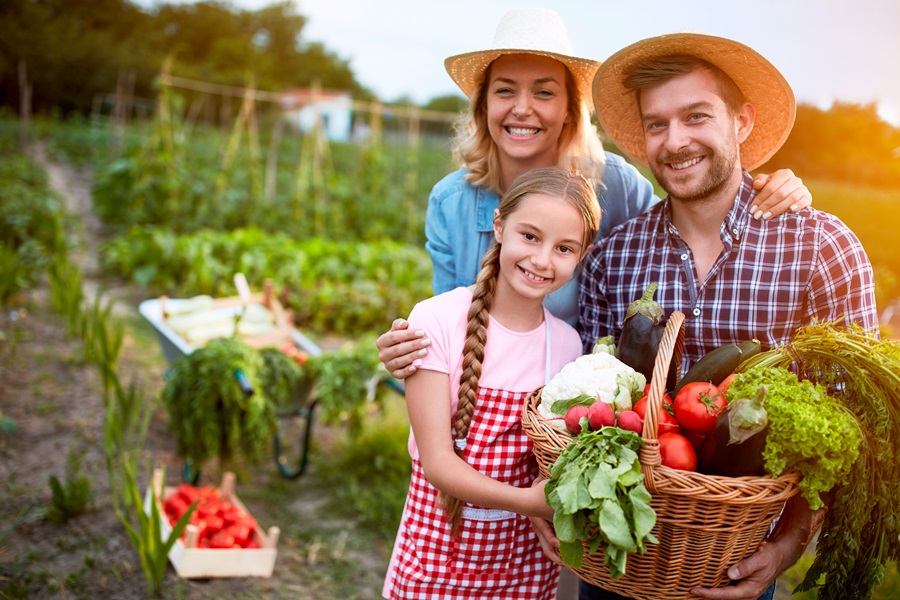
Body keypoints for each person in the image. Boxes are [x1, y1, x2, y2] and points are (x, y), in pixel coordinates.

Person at [572, 33, 879, 600]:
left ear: (741, 121)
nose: (675, 141)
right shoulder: (611, 259)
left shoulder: (822, 251)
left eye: (696, 116)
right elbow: (587, 411)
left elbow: (848, 434)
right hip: (614, 559)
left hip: (734, 566)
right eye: (657, 124)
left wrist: (785, 550)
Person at [376, 7, 812, 380]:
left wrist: (766, 183)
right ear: (484, 105)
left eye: (543, 92)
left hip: (569, 395)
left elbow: (685, 223)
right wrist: (411, 348)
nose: (522, 108)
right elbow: (447, 322)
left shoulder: (613, 185)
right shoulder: (452, 202)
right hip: (481, 398)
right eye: (504, 90)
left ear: (569, 109)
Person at [381, 166, 601, 599]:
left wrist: (542, 501)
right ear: (499, 225)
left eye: (564, 248)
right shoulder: (437, 320)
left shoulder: (567, 346)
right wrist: (529, 502)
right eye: (530, 236)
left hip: (521, 565)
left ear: (583, 254)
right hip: (435, 560)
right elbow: (438, 465)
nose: (541, 260)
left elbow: (544, 460)